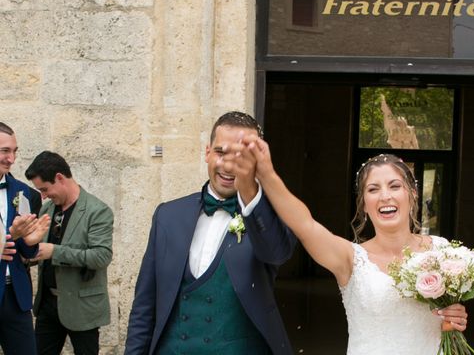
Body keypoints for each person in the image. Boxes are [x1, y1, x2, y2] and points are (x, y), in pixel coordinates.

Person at [219, 137, 469, 355]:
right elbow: (305, 225)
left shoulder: (441, 251)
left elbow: (448, 318)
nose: (385, 196)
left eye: (395, 186)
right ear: (363, 204)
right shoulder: (350, 259)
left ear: (412, 193)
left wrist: (454, 317)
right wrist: (266, 174)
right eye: (373, 189)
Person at [124, 111, 297, 355]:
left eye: (241, 156)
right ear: (207, 152)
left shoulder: (270, 217)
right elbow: (144, 305)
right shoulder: (167, 215)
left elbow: (277, 252)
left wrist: (250, 193)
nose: (228, 165)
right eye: (221, 152)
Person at [25, 151, 114, 355]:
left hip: (82, 305)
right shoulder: (47, 209)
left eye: (45, 189)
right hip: (47, 305)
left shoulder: (97, 211)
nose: (43, 196)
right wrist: (27, 254)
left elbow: (101, 256)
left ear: (59, 178)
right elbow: (39, 250)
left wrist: (54, 251)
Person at [0, 122, 50, 355]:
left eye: (14, 151)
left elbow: (26, 252)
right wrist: (12, 235)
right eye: (4, 151)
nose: (11, 159)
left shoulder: (23, 193)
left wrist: (31, 243)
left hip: (16, 296)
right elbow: (10, 238)